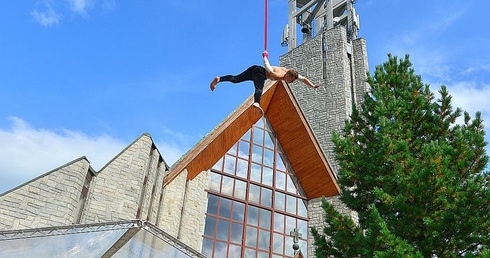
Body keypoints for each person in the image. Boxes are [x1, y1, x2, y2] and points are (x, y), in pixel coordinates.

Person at [210, 50, 319, 115]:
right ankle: (256, 102)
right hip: (260, 72)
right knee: (259, 89)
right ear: (288, 76)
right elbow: (267, 67)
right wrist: (265, 56)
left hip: (254, 68)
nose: (291, 82)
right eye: (291, 80)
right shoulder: (279, 75)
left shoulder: (289, 72)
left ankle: (219, 79)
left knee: (236, 79)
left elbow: (303, 79)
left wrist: (313, 86)